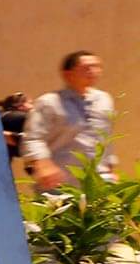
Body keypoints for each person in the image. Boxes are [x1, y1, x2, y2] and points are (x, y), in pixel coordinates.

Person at [21, 51, 116, 190]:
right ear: (67, 74)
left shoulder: (104, 99)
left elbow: (106, 136)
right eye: (86, 68)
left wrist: (110, 167)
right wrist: (42, 164)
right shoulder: (49, 102)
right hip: (60, 182)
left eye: (96, 66)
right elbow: (33, 138)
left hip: (98, 181)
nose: (92, 71)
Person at [0, 93, 31, 162]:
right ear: (21, 106)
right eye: (30, 103)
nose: (32, 107)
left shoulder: (0, 117)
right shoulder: (24, 117)